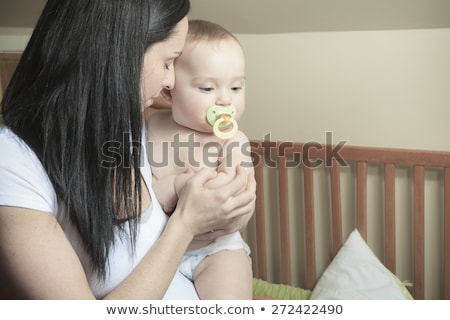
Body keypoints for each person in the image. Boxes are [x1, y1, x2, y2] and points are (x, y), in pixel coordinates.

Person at [0, 0, 256, 300]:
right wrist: (185, 223)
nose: (170, 82)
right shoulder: (16, 163)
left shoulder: (127, 125)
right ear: (120, 53)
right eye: (168, 62)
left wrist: (235, 211)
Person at [146, 19, 253, 299]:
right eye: (207, 89)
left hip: (216, 251)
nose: (224, 101)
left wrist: (230, 201)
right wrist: (177, 185)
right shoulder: (152, 127)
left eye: (236, 88)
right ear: (170, 90)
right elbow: (141, 192)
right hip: (157, 249)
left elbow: (237, 202)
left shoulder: (233, 142)